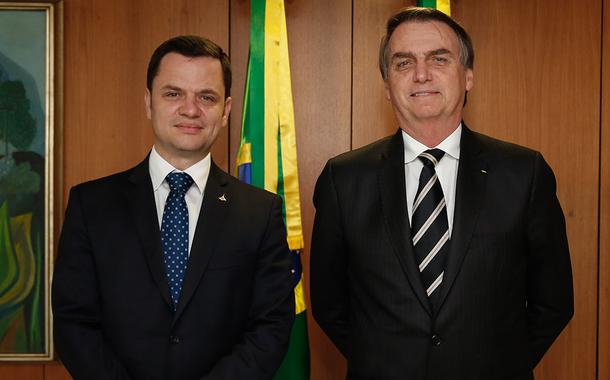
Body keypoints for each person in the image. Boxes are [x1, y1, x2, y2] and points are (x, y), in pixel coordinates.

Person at [310, 7, 573, 380]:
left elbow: (554, 302)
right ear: (386, 85)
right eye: (403, 63)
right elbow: (329, 304)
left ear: (468, 76)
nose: (421, 74)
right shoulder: (344, 179)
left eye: (439, 59)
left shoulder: (523, 173)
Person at [52, 35, 295, 380]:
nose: (190, 109)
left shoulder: (259, 212)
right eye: (173, 93)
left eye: (206, 97)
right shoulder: (91, 205)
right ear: (149, 103)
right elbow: (73, 322)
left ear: (225, 111)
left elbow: (271, 326)